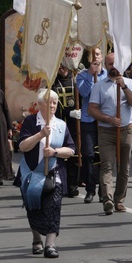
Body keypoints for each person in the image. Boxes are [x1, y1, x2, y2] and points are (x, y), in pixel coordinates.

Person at [16, 89, 76, 259]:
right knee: (34, 206)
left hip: (53, 173)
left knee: (54, 206)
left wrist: (55, 152)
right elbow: (23, 146)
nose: (52, 105)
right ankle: (36, 239)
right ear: (40, 104)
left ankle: (50, 244)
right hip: (31, 173)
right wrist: (41, 134)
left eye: (54, 103)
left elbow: (71, 149)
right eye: (48, 102)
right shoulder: (30, 122)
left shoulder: (61, 125)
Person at [89, 52, 132, 215]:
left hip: (126, 130)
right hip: (106, 131)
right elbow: (92, 109)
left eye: (115, 64)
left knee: (124, 168)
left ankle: (119, 200)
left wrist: (124, 87)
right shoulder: (99, 86)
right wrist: (108, 119)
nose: (113, 68)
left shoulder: (130, 83)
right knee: (107, 165)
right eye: (110, 64)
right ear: (105, 65)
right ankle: (108, 200)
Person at [75, 47, 107, 204]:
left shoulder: (108, 75)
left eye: (98, 54)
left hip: (103, 120)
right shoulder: (81, 76)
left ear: (102, 57)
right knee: (88, 154)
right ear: (88, 58)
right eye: (93, 54)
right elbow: (84, 93)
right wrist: (90, 74)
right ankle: (90, 189)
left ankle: (103, 190)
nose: (96, 57)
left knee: (103, 156)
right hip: (88, 120)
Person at [53, 63, 80, 197]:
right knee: (60, 156)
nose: (62, 68)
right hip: (59, 124)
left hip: (75, 125)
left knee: (73, 155)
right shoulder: (53, 83)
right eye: (60, 65)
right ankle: (60, 184)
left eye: (64, 65)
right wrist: (68, 113)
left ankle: (72, 185)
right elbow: (52, 104)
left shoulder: (76, 80)